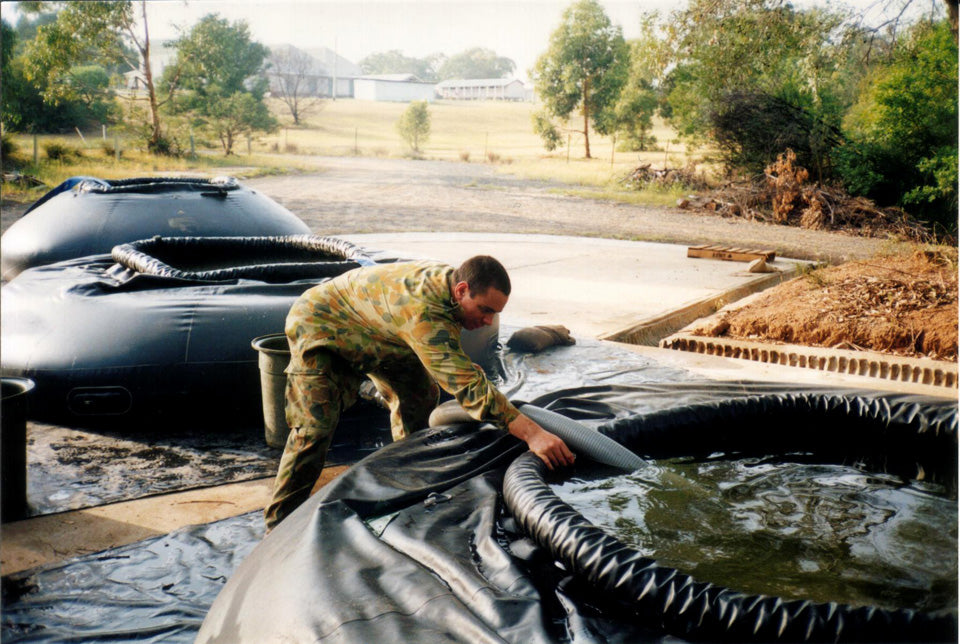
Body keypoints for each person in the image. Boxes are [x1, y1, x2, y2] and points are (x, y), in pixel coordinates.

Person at [264, 255, 575, 531]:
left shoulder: (449, 294)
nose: (488, 321)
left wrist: (461, 370)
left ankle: (407, 488)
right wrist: (533, 433)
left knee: (420, 398)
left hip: (381, 330)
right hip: (323, 323)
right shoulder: (425, 311)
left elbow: (450, 359)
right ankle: (276, 526)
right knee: (313, 430)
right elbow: (466, 385)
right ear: (462, 290)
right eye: (484, 310)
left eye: (494, 313)